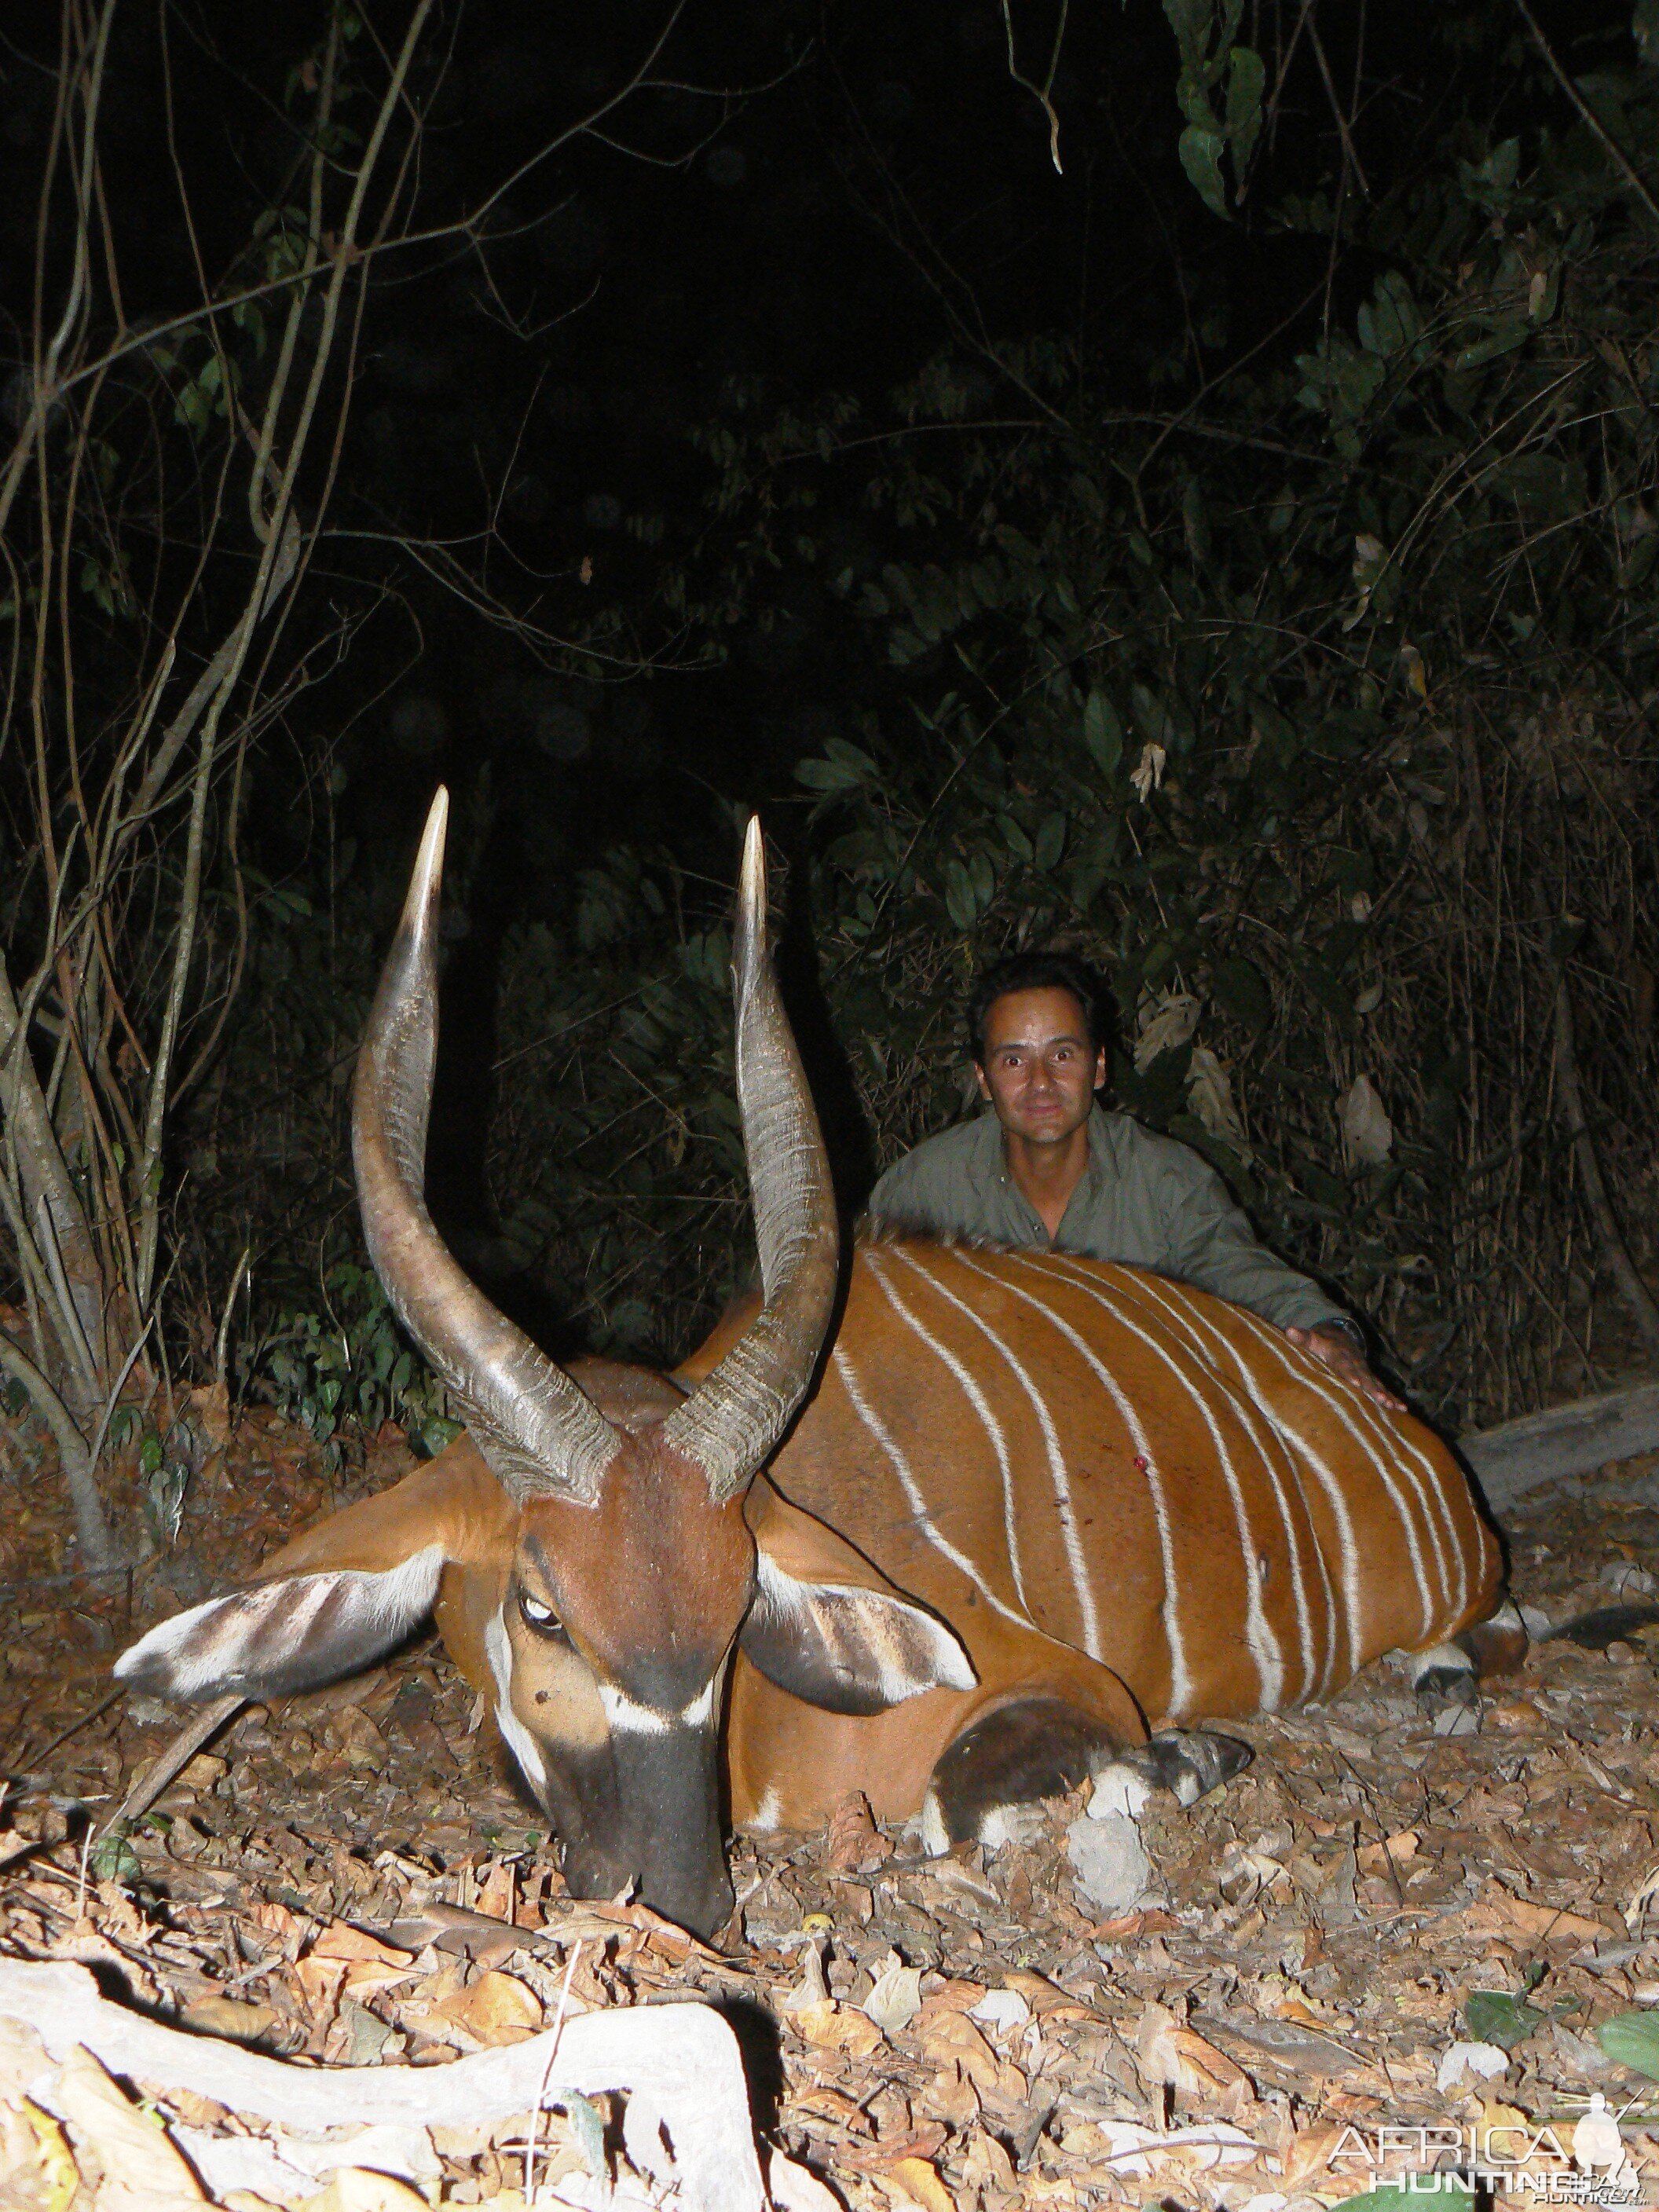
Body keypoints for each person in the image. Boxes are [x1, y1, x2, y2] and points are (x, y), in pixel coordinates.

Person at [866, 949, 1403, 1408]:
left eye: (1062, 1054)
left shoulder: (1165, 1179)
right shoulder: (921, 1191)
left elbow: (1239, 1270)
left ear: (1098, 1068)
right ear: (984, 1080)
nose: (1041, 1083)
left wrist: (1331, 1337)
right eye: (1013, 1061)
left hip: (1139, 1441)